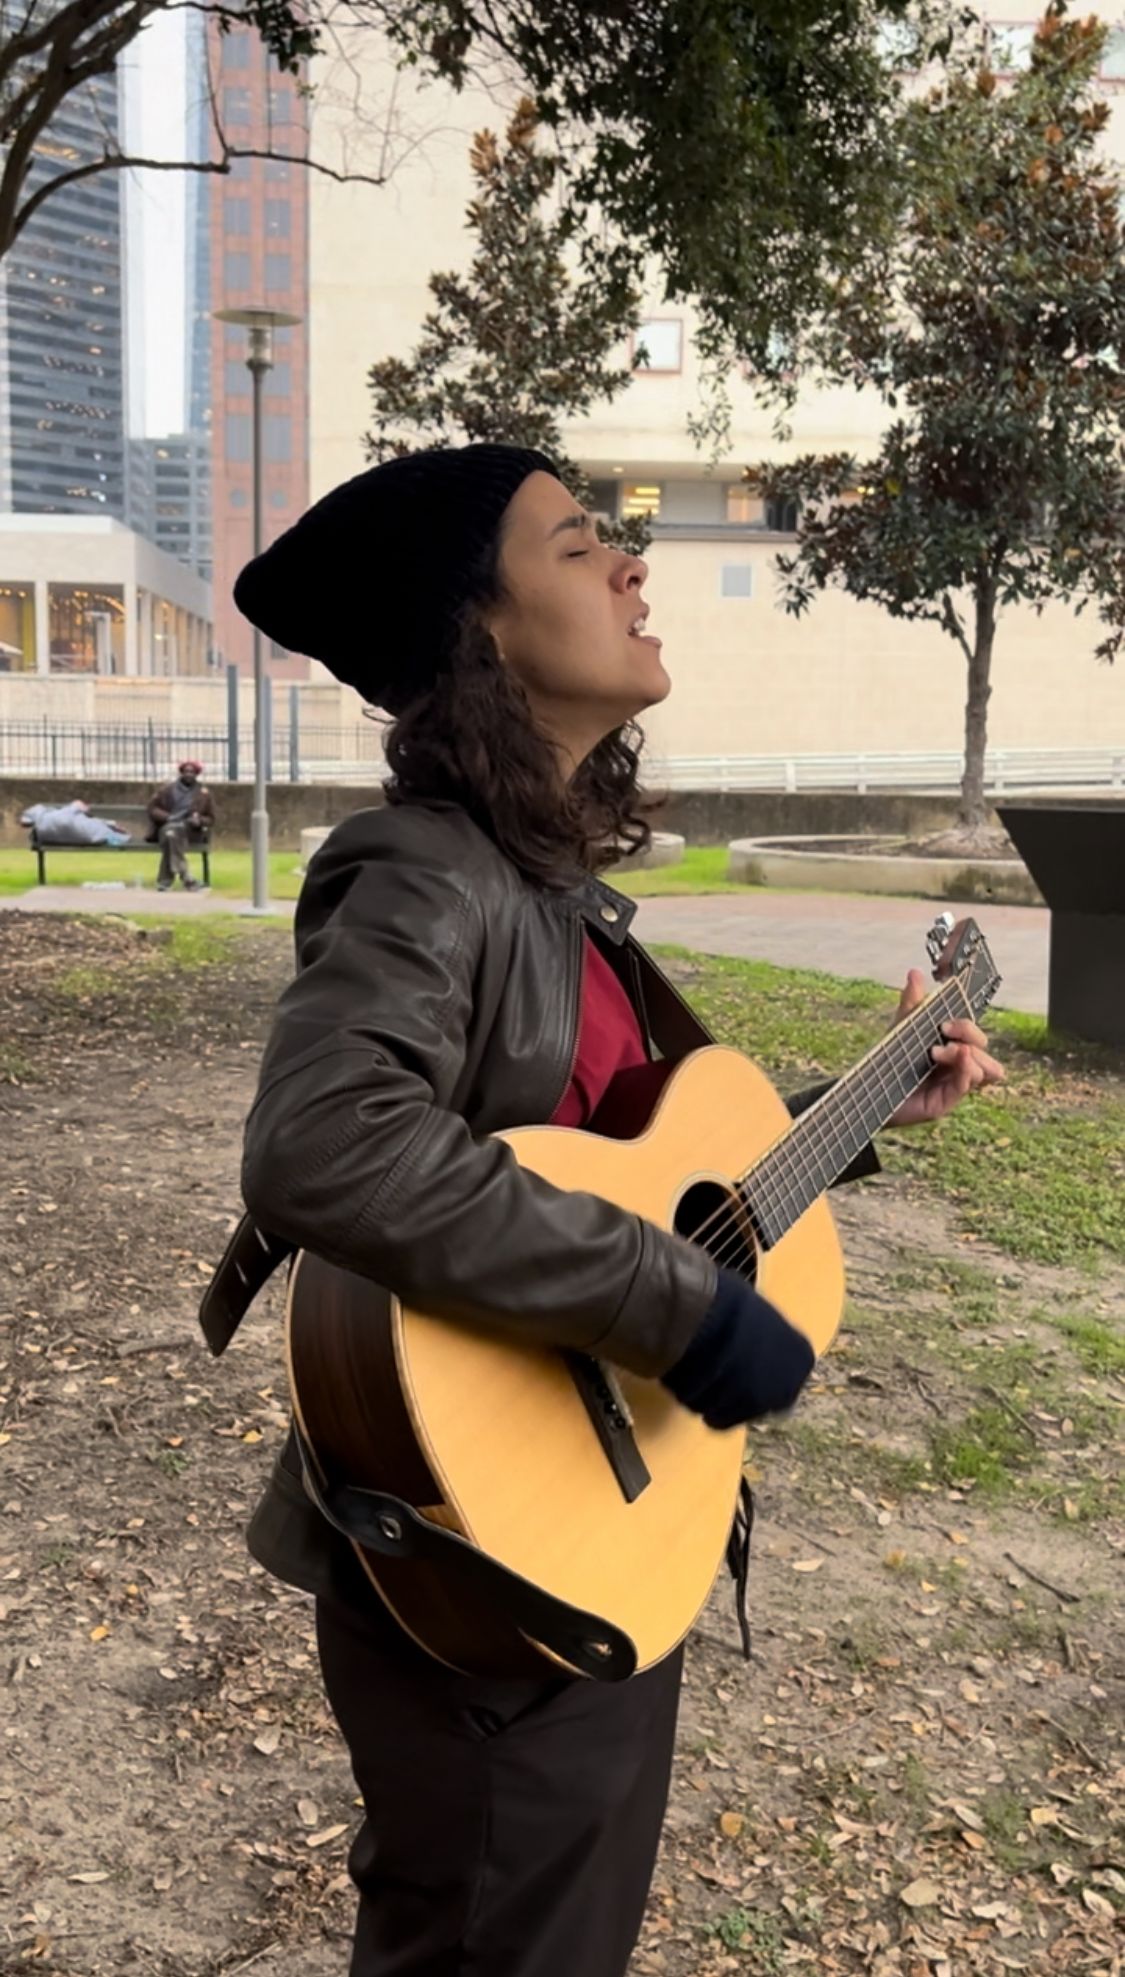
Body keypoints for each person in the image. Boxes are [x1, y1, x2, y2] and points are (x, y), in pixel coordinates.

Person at [224, 444, 1003, 1977]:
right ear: (480, 626)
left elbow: (621, 1163)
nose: (632, 566)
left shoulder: (546, 888)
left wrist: (856, 1113)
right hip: (483, 1541)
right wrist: (679, 1309)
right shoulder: (425, 870)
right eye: (579, 545)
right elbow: (325, 1144)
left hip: (581, 1531)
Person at [146, 760, 214, 891]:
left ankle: (164, 882)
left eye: (192, 772)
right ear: (181, 773)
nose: (188, 774)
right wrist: (168, 817)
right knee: (171, 833)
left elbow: (211, 818)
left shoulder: (203, 793)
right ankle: (187, 878)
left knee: (171, 836)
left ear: (196, 774)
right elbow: (152, 809)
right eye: (186, 771)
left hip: (190, 831)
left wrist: (199, 820)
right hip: (167, 826)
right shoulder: (167, 790)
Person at [21, 797, 132, 847]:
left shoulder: (43, 830)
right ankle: (116, 832)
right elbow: (79, 807)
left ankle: (115, 831)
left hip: (53, 832)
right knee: (96, 828)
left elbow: (24, 822)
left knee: (95, 827)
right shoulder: (60, 814)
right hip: (83, 831)